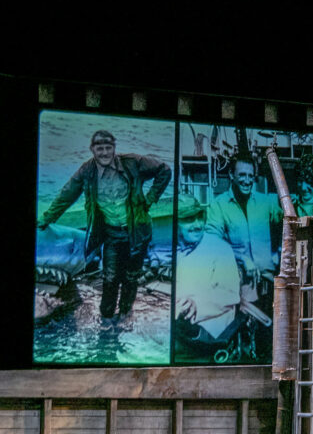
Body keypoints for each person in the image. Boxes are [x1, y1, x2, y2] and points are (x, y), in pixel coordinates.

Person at [37, 129, 171, 326]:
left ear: (114, 148)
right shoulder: (87, 171)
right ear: (92, 149)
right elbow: (67, 194)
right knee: (110, 278)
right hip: (111, 233)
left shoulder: (132, 162)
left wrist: (150, 199)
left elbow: (164, 170)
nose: (104, 153)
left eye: (108, 148)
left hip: (137, 232)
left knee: (131, 277)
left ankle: (125, 313)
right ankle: (107, 317)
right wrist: (47, 218)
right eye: (100, 149)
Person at [204, 153, 282, 344]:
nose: (247, 181)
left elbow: (286, 224)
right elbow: (212, 242)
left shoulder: (266, 202)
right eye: (242, 175)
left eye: (250, 176)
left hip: (270, 281)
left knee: (273, 334)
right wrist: (242, 258)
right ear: (232, 175)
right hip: (240, 282)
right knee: (243, 333)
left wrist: (278, 252)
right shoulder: (219, 205)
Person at [174, 195, 242, 352]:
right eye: (189, 219)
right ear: (175, 223)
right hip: (178, 327)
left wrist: (196, 305)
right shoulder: (171, 249)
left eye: (200, 218)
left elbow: (231, 294)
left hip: (209, 333)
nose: (198, 225)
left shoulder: (220, 248)